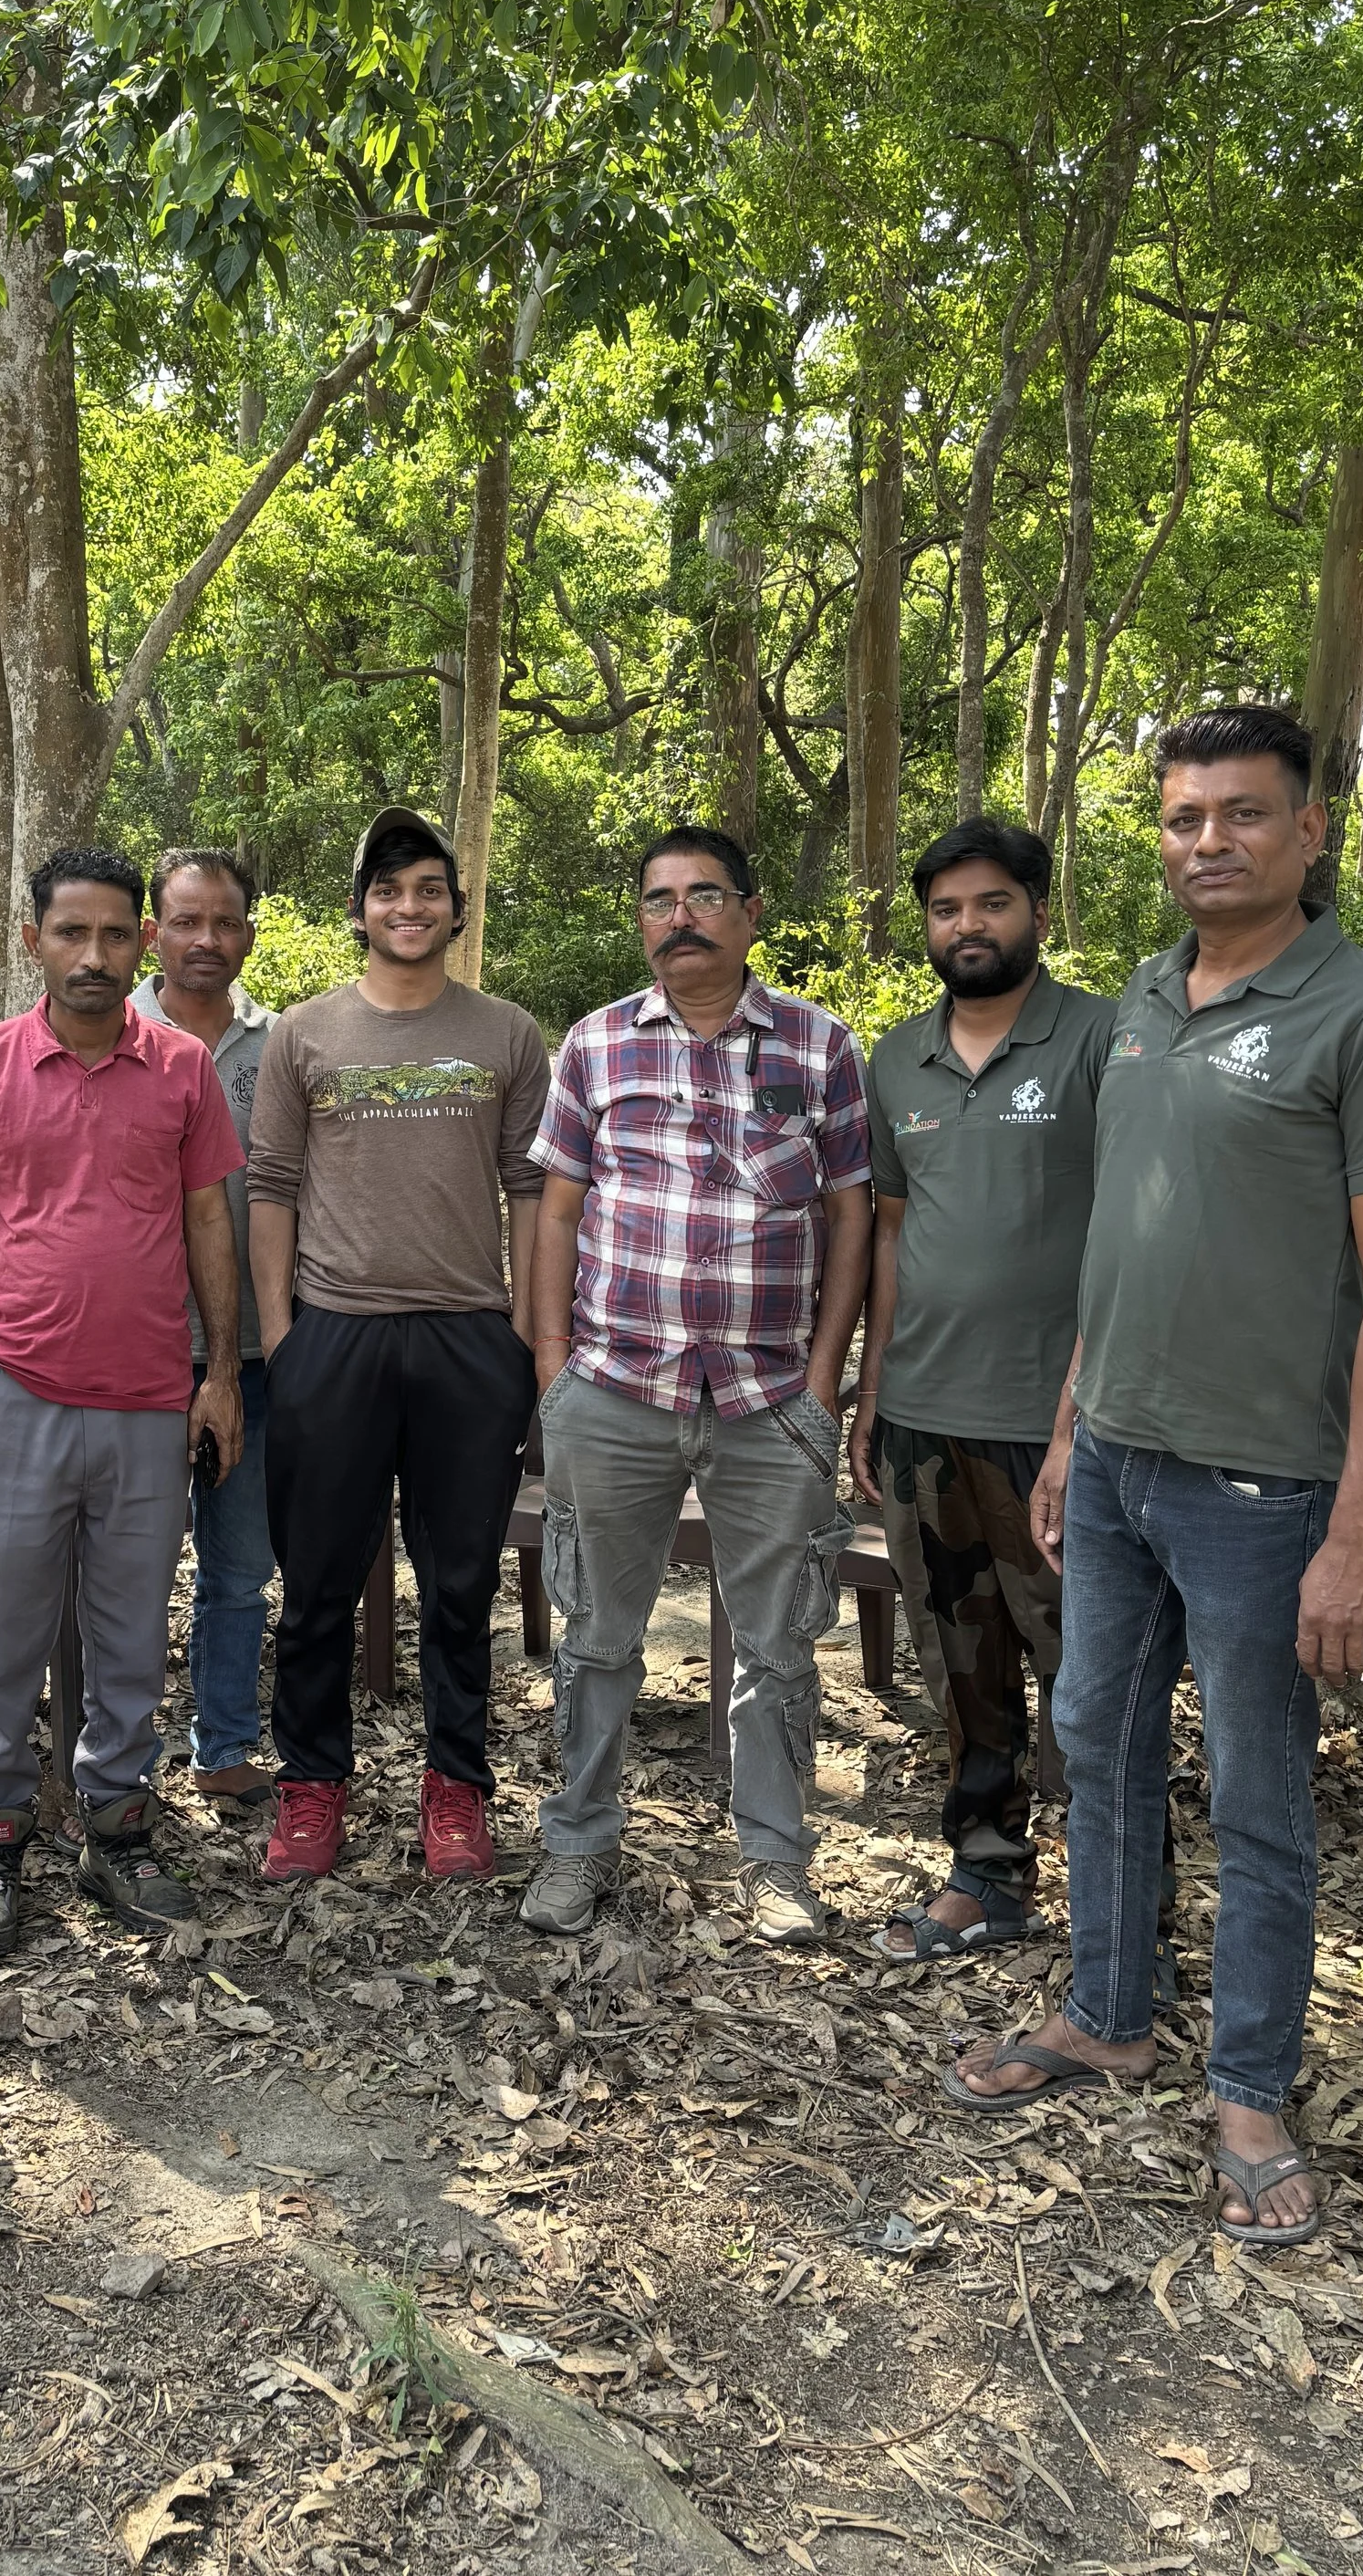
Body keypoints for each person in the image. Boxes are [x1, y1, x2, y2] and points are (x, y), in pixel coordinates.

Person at [944, 707, 1363, 2249]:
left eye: (1241, 813)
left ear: (1312, 831)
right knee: (1093, 1733)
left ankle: (1249, 2086)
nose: (1208, 840)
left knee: (1255, 1792)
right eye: (1181, 817)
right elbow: (1129, 1237)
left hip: (1263, 1489)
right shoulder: (1142, 1009)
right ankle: (1111, 2011)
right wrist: (1067, 1426)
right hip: (1114, 1461)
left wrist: (1359, 1533)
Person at [521, 826, 872, 1944]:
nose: (680, 917)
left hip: (771, 1402)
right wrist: (551, 1367)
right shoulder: (595, 1046)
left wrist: (823, 1379)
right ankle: (578, 1842)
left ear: (750, 913)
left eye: (704, 895)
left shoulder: (818, 1049)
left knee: (776, 1646)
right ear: (641, 921)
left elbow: (852, 1215)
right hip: (616, 1388)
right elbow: (558, 1211)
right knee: (595, 1635)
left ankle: (773, 1861)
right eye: (659, 900)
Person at [0, 847, 245, 1955]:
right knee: (4, 1629)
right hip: (19, 1392)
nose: (94, 956)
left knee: (128, 1636)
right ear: (33, 941)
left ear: (141, 943)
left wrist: (222, 1376)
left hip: (152, 1402)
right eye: (71, 934)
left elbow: (208, 1224)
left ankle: (119, 1832)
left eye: (114, 935)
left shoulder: (182, 1071)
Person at [247, 806, 550, 1883]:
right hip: (336, 1338)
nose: (407, 907)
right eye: (388, 891)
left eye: (428, 889)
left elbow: (532, 1189)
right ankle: (310, 1788)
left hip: (470, 1340)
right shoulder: (304, 1033)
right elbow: (271, 1189)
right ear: (359, 911)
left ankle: (456, 1790)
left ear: (456, 909)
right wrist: (283, 1339)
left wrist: (523, 1331)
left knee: (460, 1582)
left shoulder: (507, 1034)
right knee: (319, 1580)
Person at [850, 818, 1127, 1960]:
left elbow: (1127, 1238)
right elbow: (891, 1232)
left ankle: (1124, 1917)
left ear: (1036, 914)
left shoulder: (1105, 1041)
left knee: (1094, 1682)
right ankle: (986, 1874)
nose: (967, 926)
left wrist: (1075, 1416)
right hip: (923, 1420)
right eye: (946, 909)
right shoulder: (897, 1057)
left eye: (991, 904)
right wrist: (873, 1391)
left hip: (1056, 1427)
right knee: (962, 1664)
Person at [130, 848, 280, 1811]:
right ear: (154, 932)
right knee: (129, 1570)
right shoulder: (112, 1030)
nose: (205, 940)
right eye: (185, 921)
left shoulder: (284, 1046)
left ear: (249, 936)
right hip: (134, 1356)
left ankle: (222, 1745)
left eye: (224, 923)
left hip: (255, 1354)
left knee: (239, 1566)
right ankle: (119, 1765)